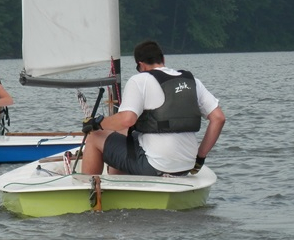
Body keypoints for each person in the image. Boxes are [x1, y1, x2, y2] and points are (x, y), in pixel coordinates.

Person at [81, 40, 225, 176]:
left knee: (94, 137)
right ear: (163, 59)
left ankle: (88, 188)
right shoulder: (192, 81)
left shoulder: (140, 80)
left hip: (155, 167)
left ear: (141, 65)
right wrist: (200, 157)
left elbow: (126, 120)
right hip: (186, 167)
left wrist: (97, 123)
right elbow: (218, 118)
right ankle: (122, 182)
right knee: (124, 135)